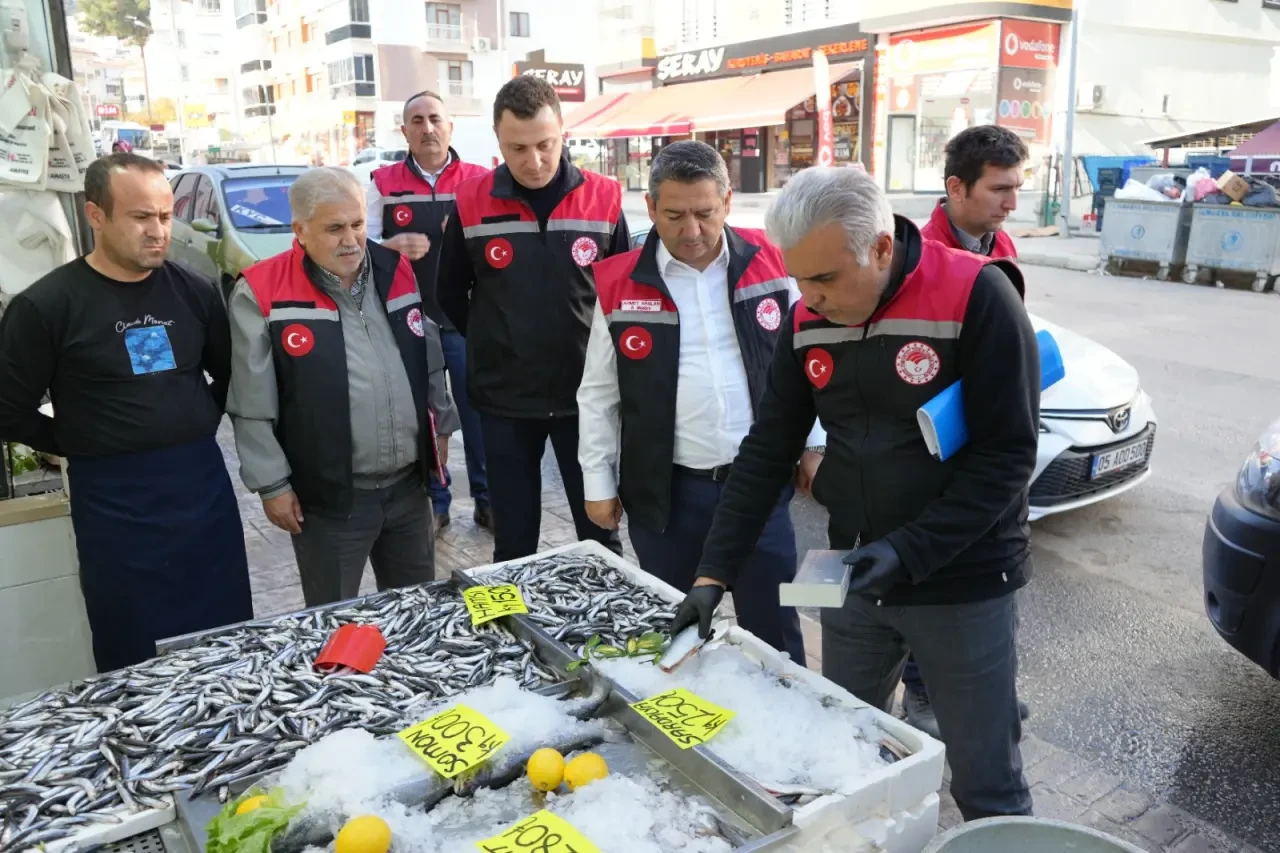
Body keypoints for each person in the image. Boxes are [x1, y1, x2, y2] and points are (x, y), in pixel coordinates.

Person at [671, 167, 1040, 821]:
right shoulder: (807, 317)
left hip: (963, 577)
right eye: (800, 278)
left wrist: (909, 550)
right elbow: (765, 450)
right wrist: (712, 572)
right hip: (851, 568)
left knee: (986, 780)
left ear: (877, 247)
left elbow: (1008, 455)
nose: (808, 296)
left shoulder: (976, 295)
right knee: (842, 749)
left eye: (824, 278)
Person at [0, 152, 252, 671]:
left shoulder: (194, 291)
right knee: (133, 642)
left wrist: (198, 419)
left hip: (200, 487)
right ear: (96, 216)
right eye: (141, 217)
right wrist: (79, 440)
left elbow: (230, 374)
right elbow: (8, 407)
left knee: (224, 633)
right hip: (114, 500)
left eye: (165, 216)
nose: (158, 231)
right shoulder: (46, 306)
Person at [577, 141, 821, 666]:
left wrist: (815, 442)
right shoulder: (618, 283)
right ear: (650, 207)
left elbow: (813, 361)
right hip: (666, 496)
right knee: (674, 635)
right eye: (675, 215)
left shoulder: (773, 263)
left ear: (728, 202)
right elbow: (598, 394)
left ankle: (785, 734)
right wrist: (597, 484)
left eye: (705, 213)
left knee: (777, 632)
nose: (692, 231)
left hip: (757, 487)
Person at [226, 167, 459, 607]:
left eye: (357, 224)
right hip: (329, 500)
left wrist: (439, 427)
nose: (351, 239)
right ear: (300, 230)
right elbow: (250, 402)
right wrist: (272, 485)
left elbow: (427, 358)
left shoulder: (397, 270)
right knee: (334, 620)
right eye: (334, 229)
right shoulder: (263, 290)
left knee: (416, 611)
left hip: (408, 491)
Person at [436, 75, 629, 562]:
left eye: (546, 144)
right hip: (505, 403)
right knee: (513, 540)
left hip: (586, 400)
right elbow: (449, 294)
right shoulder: (470, 201)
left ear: (564, 133)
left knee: (600, 531)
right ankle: (504, 635)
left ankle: (608, 628)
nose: (535, 161)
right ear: (498, 142)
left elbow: (623, 300)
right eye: (517, 148)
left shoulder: (604, 198)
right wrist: (497, 343)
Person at [902, 124, 1031, 738]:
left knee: (996, 571)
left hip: (989, 438)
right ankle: (923, 694)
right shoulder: (915, 256)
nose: (1012, 203)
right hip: (933, 445)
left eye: (1016, 188)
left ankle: (989, 686)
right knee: (934, 579)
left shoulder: (996, 242)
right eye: (1000, 189)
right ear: (956, 187)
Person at [367, 90, 492, 535]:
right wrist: (388, 247)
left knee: (479, 409)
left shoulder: (479, 179)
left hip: (465, 318)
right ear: (404, 131)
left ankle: (486, 498)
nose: (427, 128)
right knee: (425, 414)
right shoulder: (381, 181)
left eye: (435, 118)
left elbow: (498, 247)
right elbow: (354, 248)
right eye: (416, 120)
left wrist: (467, 235)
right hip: (408, 320)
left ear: (450, 126)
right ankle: (436, 500)